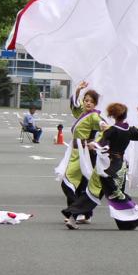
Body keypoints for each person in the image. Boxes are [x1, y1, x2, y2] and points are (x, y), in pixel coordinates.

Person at [80, 103, 138, 230]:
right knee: (116, 193)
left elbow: (103, 145)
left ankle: (76, 212)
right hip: (121, 165)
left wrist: (92, 145)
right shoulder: (128, 129)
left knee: (107, 192)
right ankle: (127, 222)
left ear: (112, 115)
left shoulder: (111, 130)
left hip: (109, 165)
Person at [58, 81, 104, 228]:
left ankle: (75, 213)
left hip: (86, 153)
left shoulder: (94, 117)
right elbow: (74, 107)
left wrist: (95, 142)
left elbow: (105, 129)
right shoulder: (83, 113)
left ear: (95, 104)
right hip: (76, 151)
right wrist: (78, 90)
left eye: (91, 101)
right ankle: (81, 213)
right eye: (86, 100)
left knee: (74, 182)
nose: (88, 103)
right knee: (77, 184)